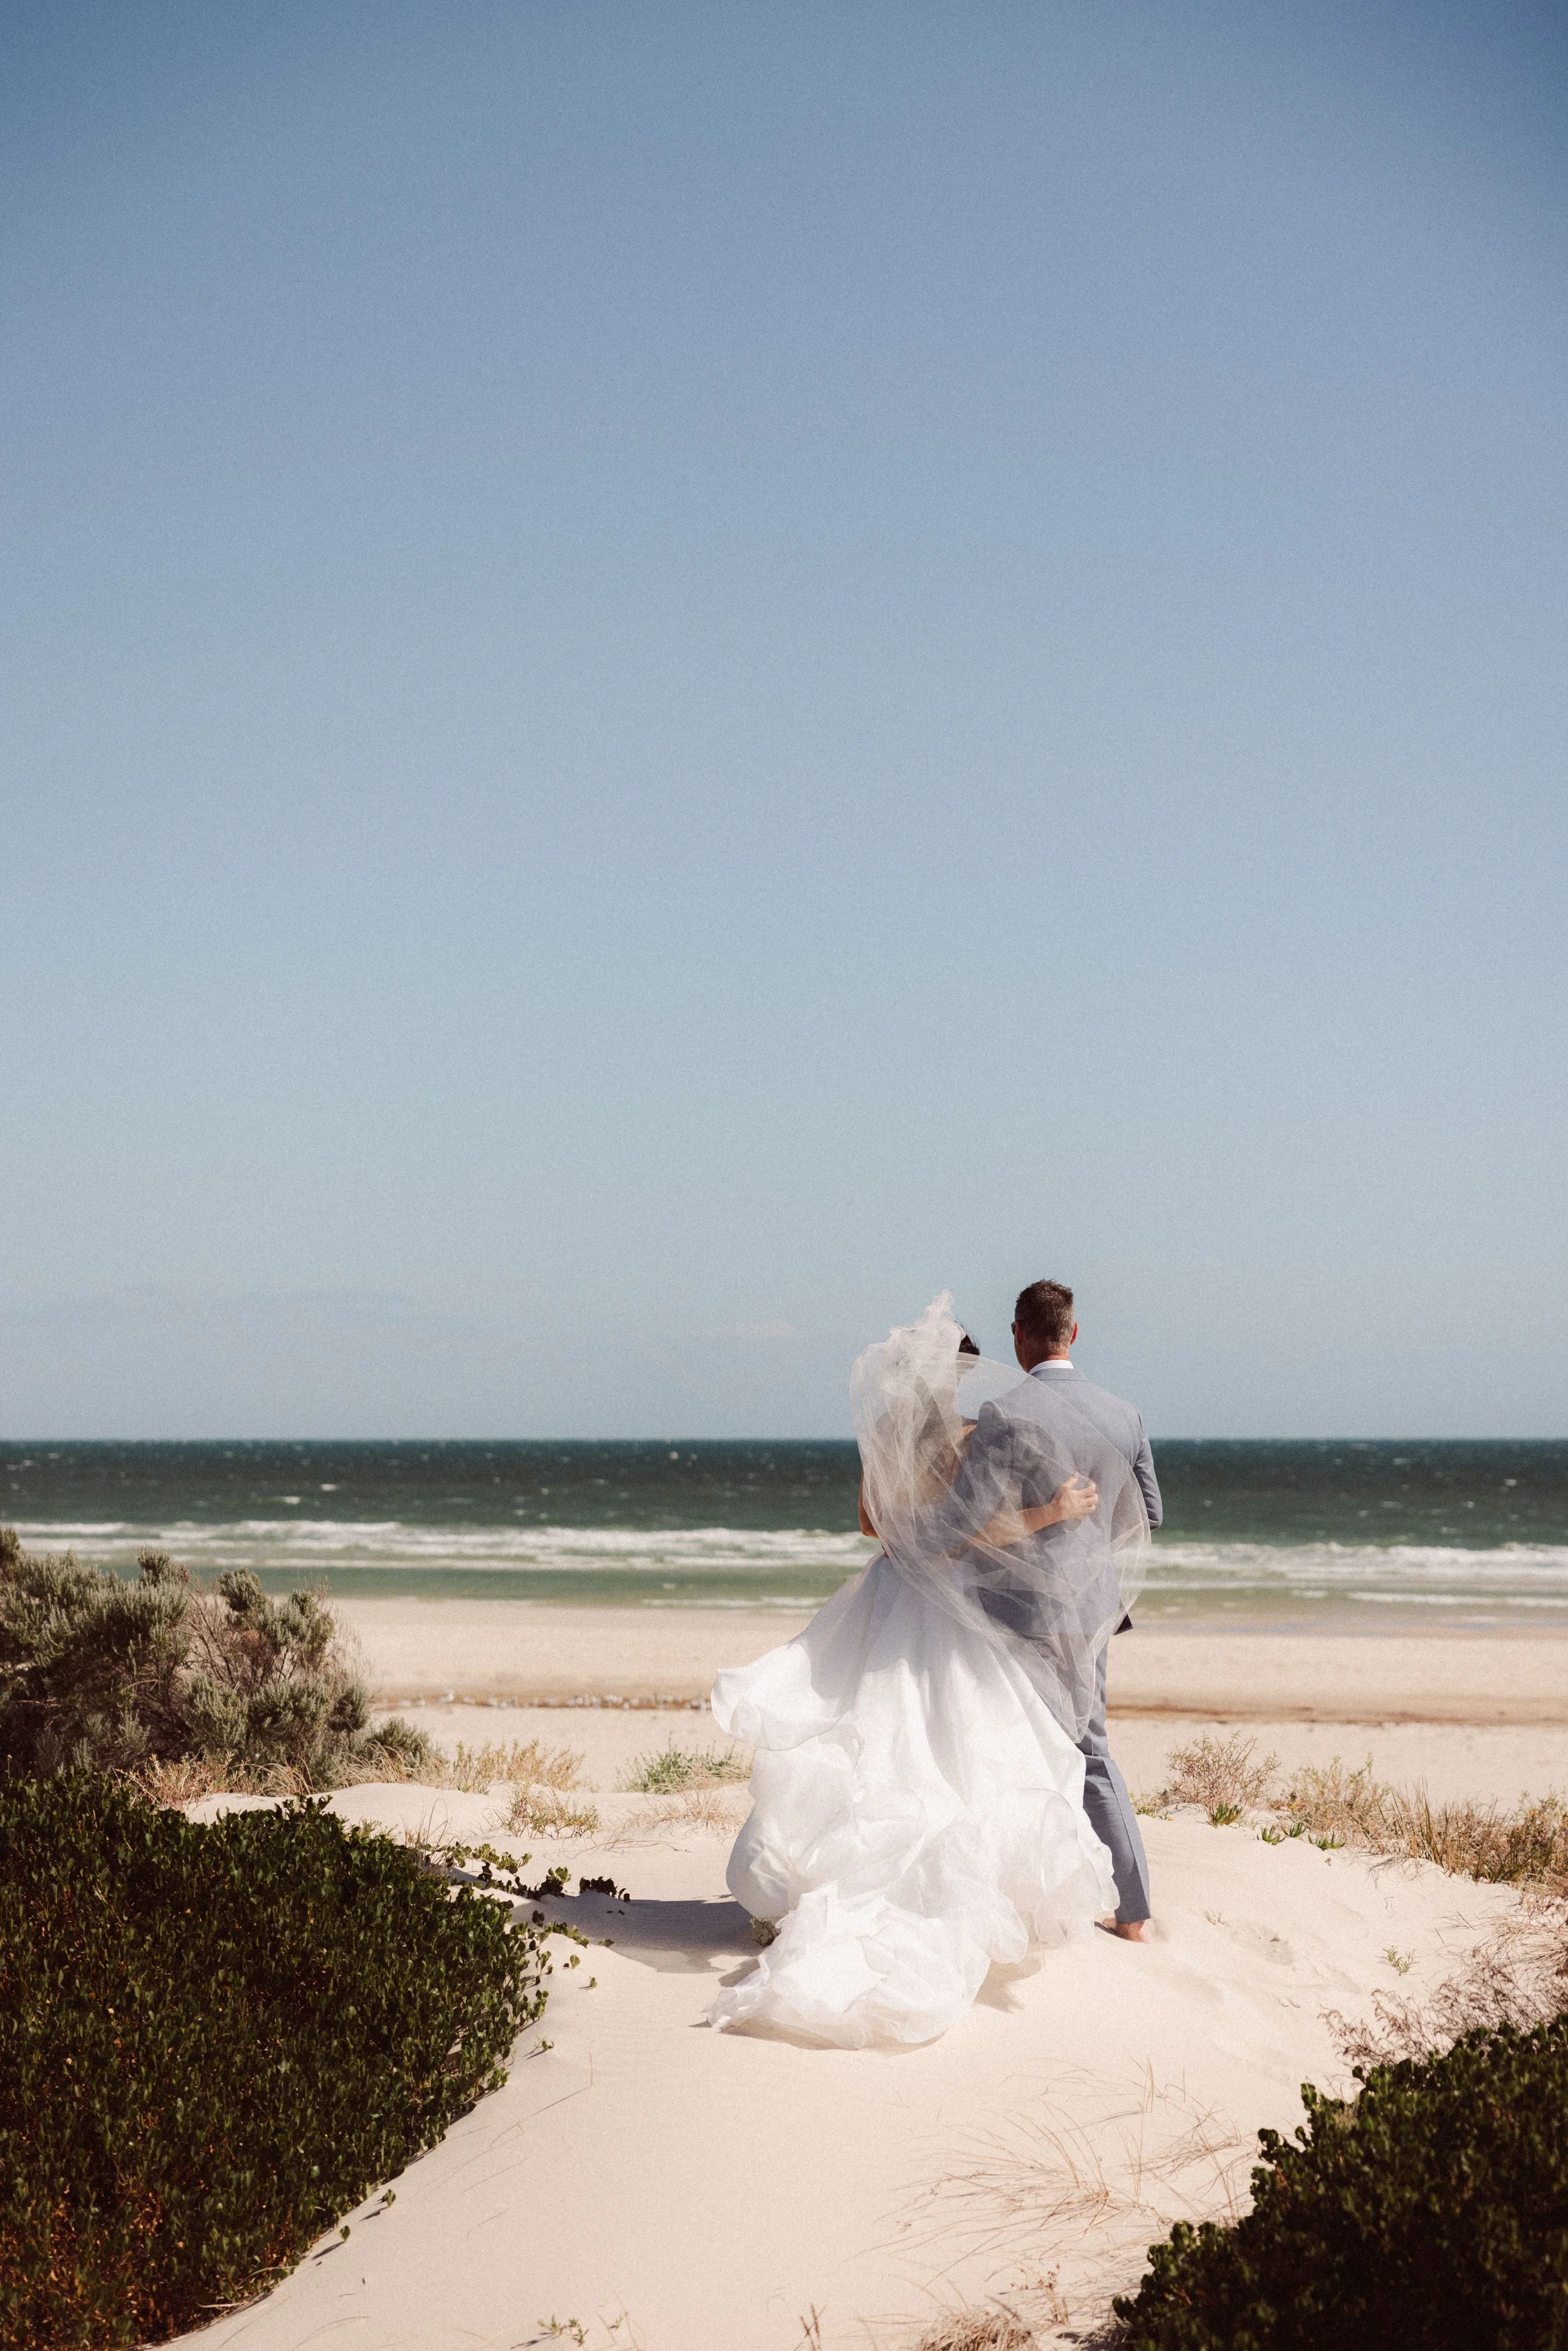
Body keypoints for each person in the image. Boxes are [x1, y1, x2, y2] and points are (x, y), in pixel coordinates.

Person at [708, 1291, 1150, 2047]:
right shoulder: (972, 1434)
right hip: (952, 1600)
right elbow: (970, 1534)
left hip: (891, 1593)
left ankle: (839, 1881)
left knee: (876, 1735)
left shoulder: (889, 1433)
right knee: (966, 1743)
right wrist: (1054, 1514)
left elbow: (870, 1524)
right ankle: (1061, 1899)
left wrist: (923, 1535)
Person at [951, 1279, 1162, 1941]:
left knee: (1012, 1747)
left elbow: (970, 1520)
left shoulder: (1003, 1412)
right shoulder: (1124, 1413)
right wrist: (1086, 1548)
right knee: (1090, 1749)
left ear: (1019, 1333)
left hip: (1015, 1610)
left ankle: (1015, 1903)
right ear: (1073, 1333)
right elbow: (1149, 1514)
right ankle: (1130, 1912)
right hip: (1093, 1607)